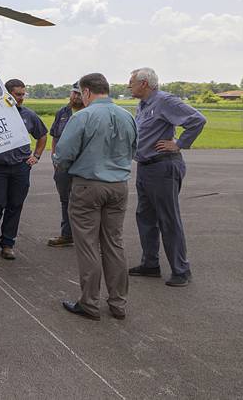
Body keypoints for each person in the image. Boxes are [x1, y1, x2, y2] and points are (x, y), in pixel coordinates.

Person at [53, 73, 137, 321]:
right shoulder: (127, 116)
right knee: (114, 243)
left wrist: (64, 168)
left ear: (87, 92)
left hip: (88, 184)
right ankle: (118, 303)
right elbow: (134, 149)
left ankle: (89, 302)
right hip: (119, 185)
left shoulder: (83, 116)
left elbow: (64, 153)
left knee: (88, 244)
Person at [128, 67, 206, 287]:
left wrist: (179, 144)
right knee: (145, 217)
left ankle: (181, 271)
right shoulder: (142, 105)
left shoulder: (164, 101)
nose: (129, 86)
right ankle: (150, 264)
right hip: (145, 167)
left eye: (131, 82)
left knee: (168, 219)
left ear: (144, 83)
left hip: (163, 167)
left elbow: (197, 119)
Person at [0, 79, 48, 260]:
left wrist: (37, 156)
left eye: (23, 94)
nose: (21, 98)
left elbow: (42, 135)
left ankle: (8, 244)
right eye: (18, 94)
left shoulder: (28, 115)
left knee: (15, 206)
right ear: (8, 94)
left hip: (21, 168)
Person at [47, 81, 84, 247]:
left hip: (83, 167)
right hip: (63, 167)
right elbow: (55, 136)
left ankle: (87, 238)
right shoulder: (62, 112)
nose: (75, 96)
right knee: (65, 201)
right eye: (74, 93)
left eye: (79, 93)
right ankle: (67, 234)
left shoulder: (89, 113)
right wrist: (54, 158)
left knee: (84, 202)